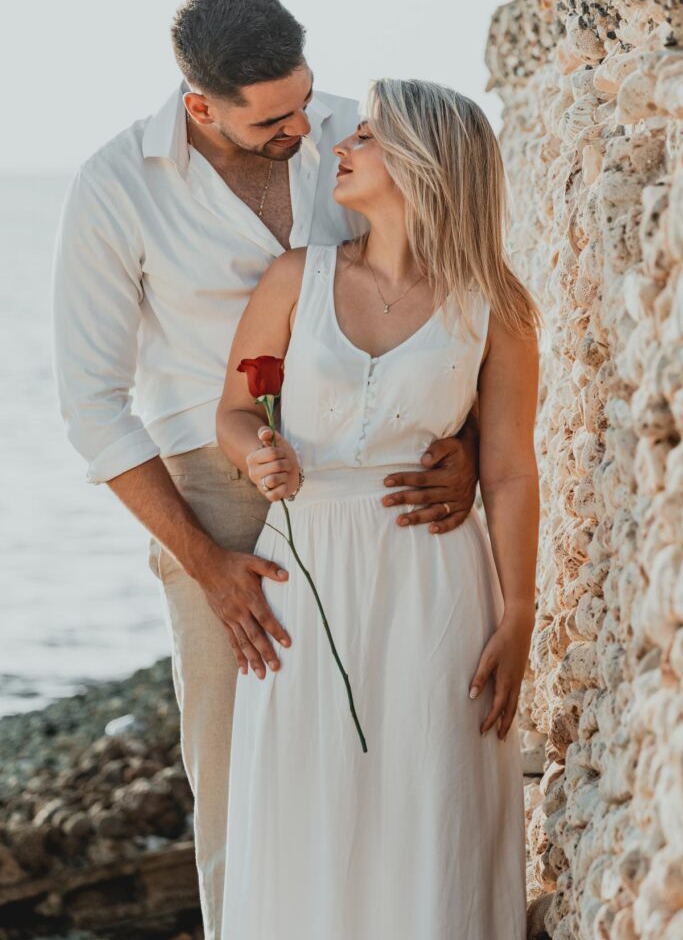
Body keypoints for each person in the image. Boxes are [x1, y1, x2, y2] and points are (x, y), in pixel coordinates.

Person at [52, 0, 480, 939]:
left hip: (379, 491)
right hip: (213, 491)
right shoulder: (116, 186)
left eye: (306, 97)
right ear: (201, 107)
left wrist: (471, 449)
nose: (306, 128)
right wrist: (204, 566)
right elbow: (92, 405)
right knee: (240, 778)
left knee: (394, 763)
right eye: (272, 120)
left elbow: (459, 282)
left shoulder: (353, 130)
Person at [216, 78, 541, 938]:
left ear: (425, 164)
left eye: (366, 134)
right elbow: (233, 412)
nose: (341, 146)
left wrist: (518, 614)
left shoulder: (495, 306)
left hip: (433, 587)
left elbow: (508, 469)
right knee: (306, 807)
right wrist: (258, 454)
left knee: (431, 804)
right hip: (304, 577)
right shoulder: (298, 276)